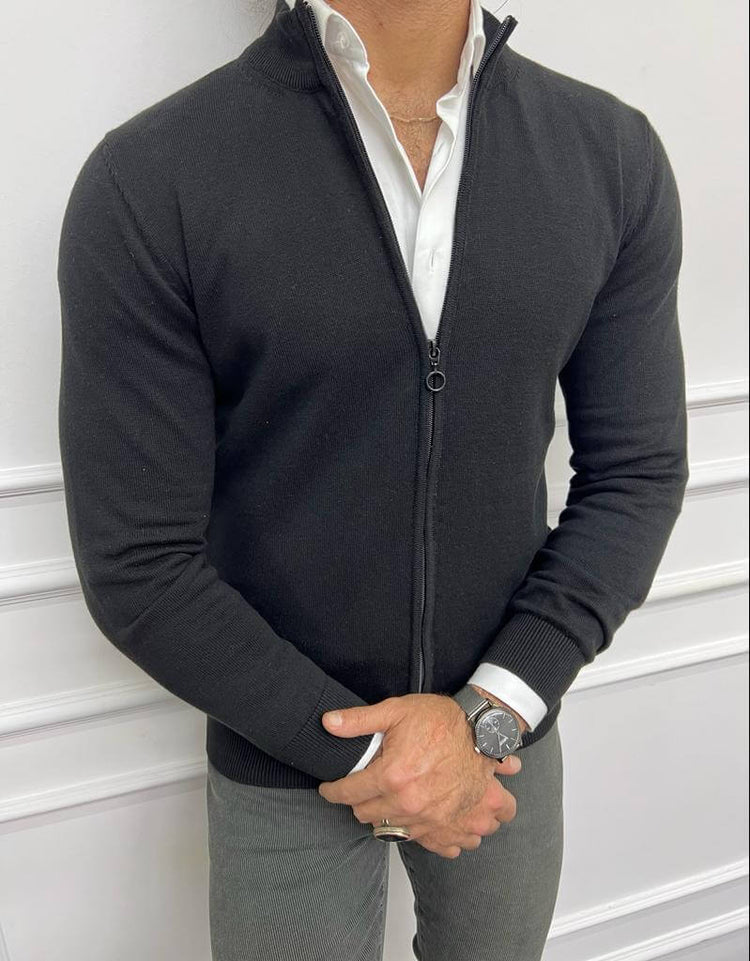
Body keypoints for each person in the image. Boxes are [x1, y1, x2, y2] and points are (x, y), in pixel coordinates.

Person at [56, 0, 689, 958]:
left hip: (506, 741)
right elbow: (137, 561)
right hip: (283, 753)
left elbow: (637, 471)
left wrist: (489, 715)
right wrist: (372, 748)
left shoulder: (609, 155)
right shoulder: (154, 176)